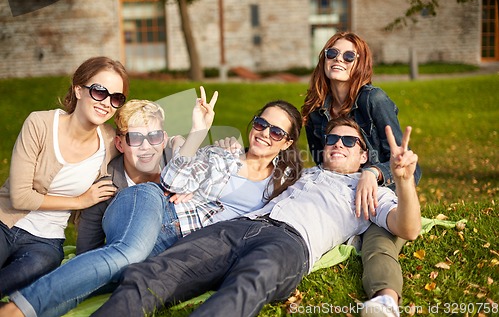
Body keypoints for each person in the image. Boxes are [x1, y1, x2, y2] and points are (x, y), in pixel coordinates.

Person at [88, 117, 421, 317]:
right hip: (239, 227)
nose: (338, 144)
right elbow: (247, 172)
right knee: (155, 273)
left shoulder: (369, 190)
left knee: (245, 287)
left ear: (363, 154)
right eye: (333, 138)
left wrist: (403, 180)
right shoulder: (300, 173)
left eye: (350, 141)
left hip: (290, 244)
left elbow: (408, 227)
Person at [0, 98, 304, 317]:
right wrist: (199, 130)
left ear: (288, 142)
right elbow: (172, 178)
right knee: (127, 254)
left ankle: (27, 304)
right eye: (261, 124)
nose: (265, 133)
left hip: (184, 244)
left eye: (276, 132)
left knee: (110, 279)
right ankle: (18, 309)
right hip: (153, 204)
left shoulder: (283, 183)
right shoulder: (223, 155)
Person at [301, 31, 422, 315]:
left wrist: (374, 172)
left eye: (348, 56)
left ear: (360, 64)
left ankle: (384, 302)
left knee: (378, 246)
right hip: (339, 195)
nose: (338, 60)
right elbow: (322, 162)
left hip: (381, 197)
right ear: (323, 60)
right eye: (332, 53)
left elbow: (410, 171)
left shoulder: (373, 101)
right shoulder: (316, 110)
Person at [0, 56, 128, 298]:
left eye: (116, 97)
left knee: (27, 272)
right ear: (78, 89)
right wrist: (80, 201)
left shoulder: (111, 141)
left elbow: (147, 149)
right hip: (4, 220)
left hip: (46, 242)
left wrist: (198, 132)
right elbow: (20, 197)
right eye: (100, 91)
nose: (107, 103)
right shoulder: (40, 123)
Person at [76, 99, 184, 254]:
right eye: (135, 138)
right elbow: (87, 250)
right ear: (120, 144)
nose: (146, 147)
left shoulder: (178, 165)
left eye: (154, 136)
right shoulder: (105, 188)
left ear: (163, 139)